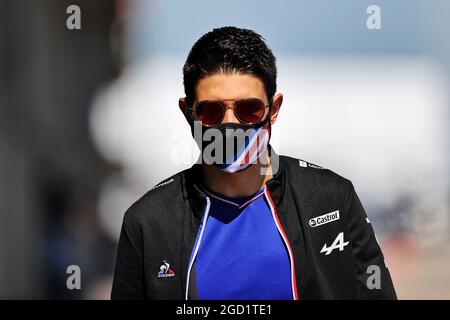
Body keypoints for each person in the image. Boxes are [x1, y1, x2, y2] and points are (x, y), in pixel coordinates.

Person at [111, 26, 397, 300]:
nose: (230, 124)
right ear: (189, 113)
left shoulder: (331, 197)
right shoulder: (148, 222)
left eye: (249, 109)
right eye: (211, 112)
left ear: (273, 110)